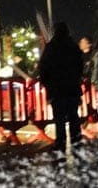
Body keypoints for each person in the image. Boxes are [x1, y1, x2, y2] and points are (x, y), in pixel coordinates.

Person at [38, 22, 83, 150]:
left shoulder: (51, 48)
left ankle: (60, 142)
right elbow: (79, 67)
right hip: (72, 88)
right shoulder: (73, 47)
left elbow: (44, 68)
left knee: (59, 117)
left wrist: (46, 84)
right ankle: (76, 140)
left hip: (57, 88)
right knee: (73, 115)